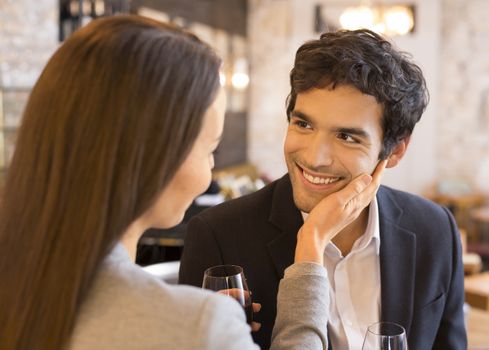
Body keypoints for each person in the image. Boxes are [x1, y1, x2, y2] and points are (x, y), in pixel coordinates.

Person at [0, 16, 384, 350]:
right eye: (210, 150)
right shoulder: (198, 323)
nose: (208, 174)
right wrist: (311, 247)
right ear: (155, 157)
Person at [179, 29, 467, 349]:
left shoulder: (434, 227)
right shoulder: (218, 235)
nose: (315, 158)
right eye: (303, 124)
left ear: (396, 150)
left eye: (346, 137)